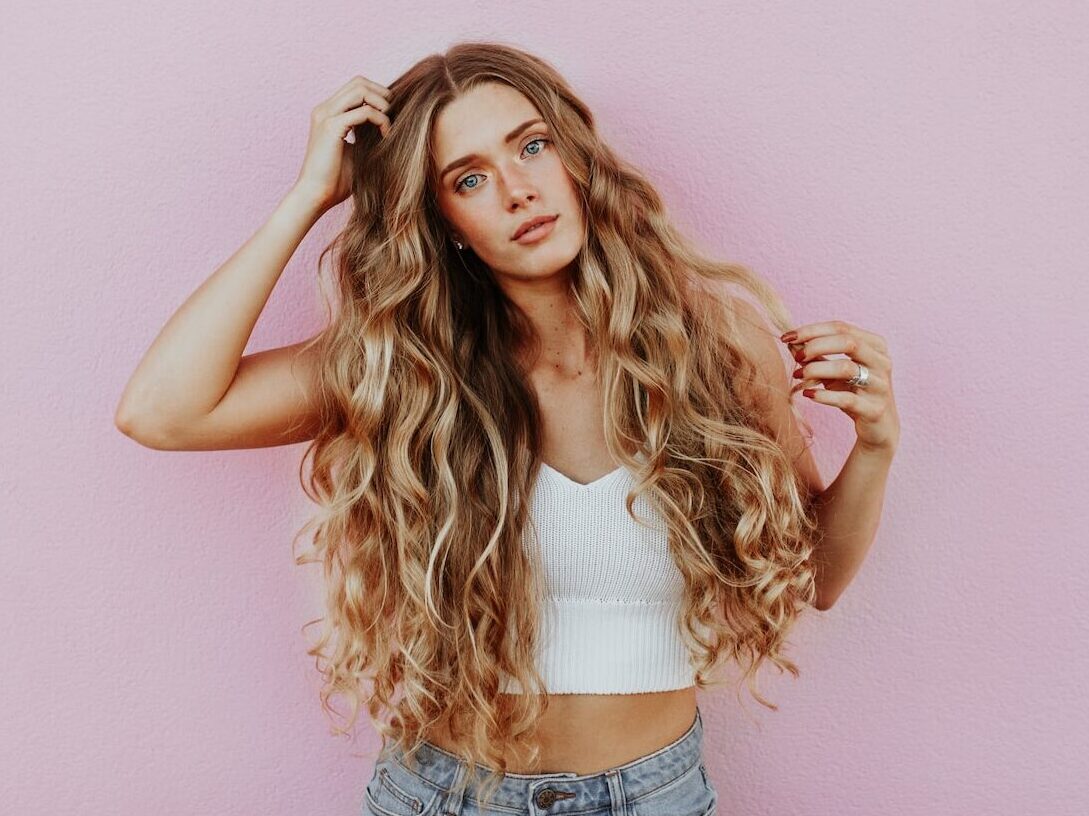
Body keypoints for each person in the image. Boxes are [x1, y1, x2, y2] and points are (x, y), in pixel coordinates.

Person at [115, 40, 899, 816]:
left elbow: (815, 579)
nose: (519, 190)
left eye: (531, 146)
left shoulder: (715, 346)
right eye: (470, 178)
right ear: (444, 221)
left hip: (651, 797)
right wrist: (311, 196)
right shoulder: (407, 371)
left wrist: (873, 447)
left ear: (575, 158)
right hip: (443, 794)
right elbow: (163, 411)